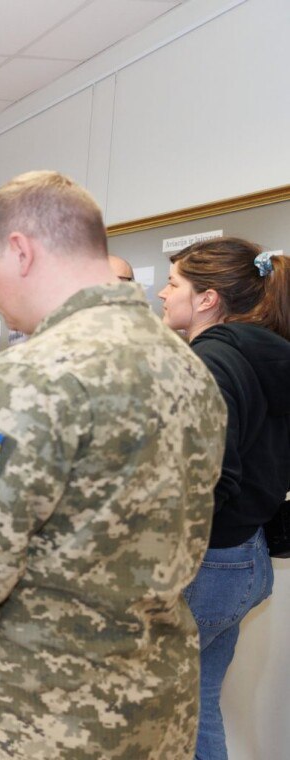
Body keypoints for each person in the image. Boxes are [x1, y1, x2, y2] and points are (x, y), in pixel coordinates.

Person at [0, 171, 228, 759]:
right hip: (159, 707)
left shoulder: (32, 375)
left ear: (21, 250)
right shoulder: (187, 367)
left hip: (40, 716)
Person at [158, 238, 290, 760]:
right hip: (246, 557)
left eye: (173, 284)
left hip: (207, 564)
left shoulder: (210, 362)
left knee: (155, 713)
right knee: (195, 703)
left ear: (208, 299)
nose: (163, 294)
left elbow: (208, 482)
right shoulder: (269, 354)